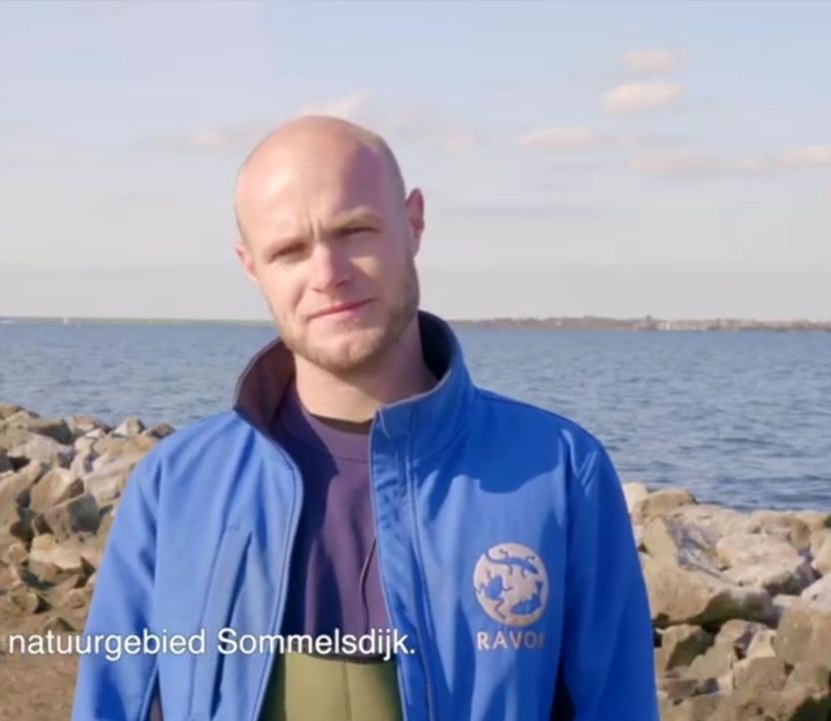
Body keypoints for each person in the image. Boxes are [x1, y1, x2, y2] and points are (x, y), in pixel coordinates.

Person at [70, 115, 656, 720]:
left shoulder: (559, 471)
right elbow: (114, 701)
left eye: (354, 231)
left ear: (414, 223)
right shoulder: (178, 484)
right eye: (289, 250)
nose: (327, 274)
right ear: (251, 266)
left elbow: (618, 704)